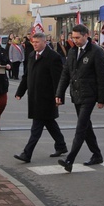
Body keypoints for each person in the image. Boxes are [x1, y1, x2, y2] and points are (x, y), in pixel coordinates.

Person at [55, 24, 104, 172]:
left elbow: (103, 76)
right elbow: (66, 74)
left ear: (86, 35)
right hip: (76, 94)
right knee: (86, 126)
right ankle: (97, 154)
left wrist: (102, 98)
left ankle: (69, 160)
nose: (75, 40)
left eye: (78, 37)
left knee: (80, 127)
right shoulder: (72, 51)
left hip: (90, 95)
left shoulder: (96, 52)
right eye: (73, 37)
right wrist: (59, 94)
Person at [13, 32, 67, 162]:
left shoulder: (53, 57)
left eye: (37, 42)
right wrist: (20, 92)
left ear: (44, 42)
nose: (34, 44)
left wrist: (58, 96)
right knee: (49, 123)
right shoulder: (32, 55)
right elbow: (27, 76)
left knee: (36, 128)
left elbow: (58, 79)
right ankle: (61, 145)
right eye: (33, 42)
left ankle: (27, 154)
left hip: (47, 98)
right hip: (34, 97)